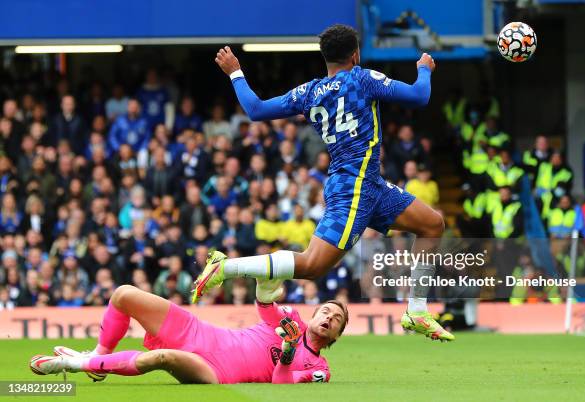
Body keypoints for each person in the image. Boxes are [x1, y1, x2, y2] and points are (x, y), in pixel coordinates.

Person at [194, 24, 453, 341]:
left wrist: (235, 72)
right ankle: (226, 267)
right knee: (312, 266)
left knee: (431, 224)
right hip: (353, 188)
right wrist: (424, 70)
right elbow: (418, 95)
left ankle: (416, 310)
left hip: (370, 185)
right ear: (355, 54)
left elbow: (256, 109)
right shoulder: (362, 79)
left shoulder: (310, 92)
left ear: (324, 56)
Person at [29, 285, 347, 384]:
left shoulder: (319, 369)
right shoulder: (290, 318)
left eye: (336, 320)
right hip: (201, 332)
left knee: (161, 358)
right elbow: (265, 307)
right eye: (327, 310)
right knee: (123, 294)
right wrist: (264, 289)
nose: (329, 317)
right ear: (315, 311)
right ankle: (98, 359)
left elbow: (281, 382)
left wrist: (289, 350)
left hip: (217, 371)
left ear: (336, 337)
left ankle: (72, 366)